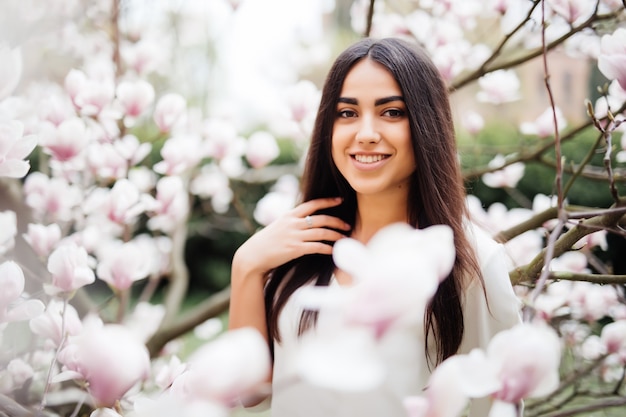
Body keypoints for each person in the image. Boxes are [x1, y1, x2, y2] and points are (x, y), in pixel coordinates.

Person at [228, 37, 522, 416]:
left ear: (426, 123)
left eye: (392, 112)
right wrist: (247, 265)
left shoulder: (473, 263)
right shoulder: (299, 245)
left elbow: (498, 406)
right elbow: (250, 392)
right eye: (347, 113)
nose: (365, 132)